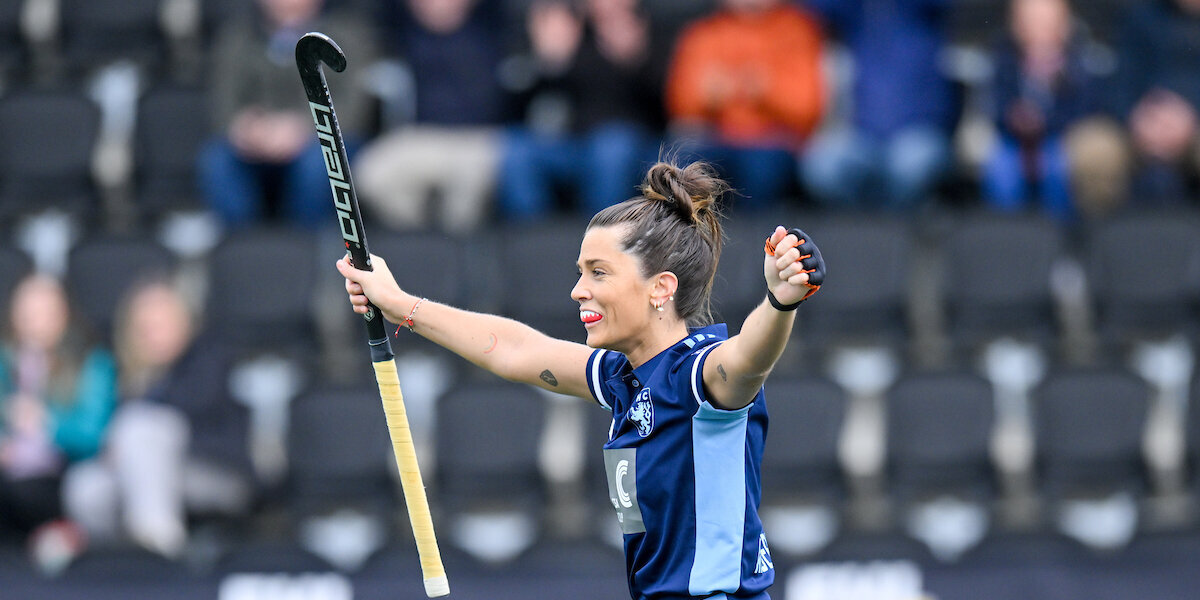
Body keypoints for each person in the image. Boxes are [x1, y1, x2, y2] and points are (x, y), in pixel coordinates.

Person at [336, 160, 826, 599]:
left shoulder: (697, 376)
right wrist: (400, 304)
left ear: (661, 288)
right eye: (580, 272)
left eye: (598, 273)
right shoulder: (621, 377)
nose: (577, 290)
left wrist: (780, 301)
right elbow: (515, 350)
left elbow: (749, 359)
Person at [61, 279, 253, 558]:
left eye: (161, 325)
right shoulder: (128, 374)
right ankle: (118, 562)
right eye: (144, 328)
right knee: (84, 484)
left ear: (184, 322)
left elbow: (186, 413)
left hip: (217, 473)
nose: (153, 336)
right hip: (141, 473)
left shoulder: (209, 357)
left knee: (140, 427)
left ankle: (161, 552)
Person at [199, 0, 377, 229]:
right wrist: (247, 128)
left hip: (323, 138)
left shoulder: (347, 36)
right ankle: (243, 244)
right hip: (256, 141)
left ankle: (307, 243)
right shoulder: (237, 37)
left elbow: (356, 106)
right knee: (217, 161)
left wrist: (304, 128)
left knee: (318, 163)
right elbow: (224, 101)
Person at [352, 0, 510, 233]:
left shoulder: (488, 27)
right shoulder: (407, 31)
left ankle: (458, 250)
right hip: (421, 135)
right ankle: (421, 242)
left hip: (480, 137)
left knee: (467, 194)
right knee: (371, 176)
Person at [498, 0, 663, 221]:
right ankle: (531, 235)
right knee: (517, 149)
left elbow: (663, 102)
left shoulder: (641, 28)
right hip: (562, 141)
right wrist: (549, 62)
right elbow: (511, 102)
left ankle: (601, 233)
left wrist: (635, 60)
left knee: (612, 149)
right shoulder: (561, 22)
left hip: (618, 140)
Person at [665, 0, 825, 210]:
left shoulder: (796, 29)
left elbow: (808, 108)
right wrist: (710, 97)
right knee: (678, 164)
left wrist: (765, 91)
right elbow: (680, 104)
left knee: (761, 170)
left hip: (772, 142)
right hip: (714, 138)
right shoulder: (705, 32)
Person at [800, 0, 956, 211]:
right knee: (821, 166)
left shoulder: (922, 12)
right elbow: (816, 6)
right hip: (864, 135)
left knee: (912, 164)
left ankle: (892, 220)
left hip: (918, 132)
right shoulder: (858, 12)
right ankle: (864, 219)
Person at [0, 275, 117, 549]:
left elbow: (93, 437)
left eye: (44, 313)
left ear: (64, 315)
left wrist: (48, 424)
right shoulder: (6, 362)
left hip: (62, 475)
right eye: (27, 314)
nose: (34, 323)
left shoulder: (92, 363)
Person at [980, 0, 1110, 222]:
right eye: (1030, 22)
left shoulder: (1078, 62)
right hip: (1012, 139)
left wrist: (1046, 118)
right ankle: (1006, 230)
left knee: (1059, 169)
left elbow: (1084, 111)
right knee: (1001, 171)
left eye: (1047, 23)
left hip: (1059, 137)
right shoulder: (1004, 58)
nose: (1039, 30)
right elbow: (995, 104)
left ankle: (1059, 231)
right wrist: (1014, 117)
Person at [1112, 0, 1200, 203]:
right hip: (1142, 120)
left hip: (1193, 120)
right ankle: (1102, 224)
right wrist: (1137, 118)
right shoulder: (1142, 14)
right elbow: (1122, 78)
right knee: (1095, 152)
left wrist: (1188, 117)